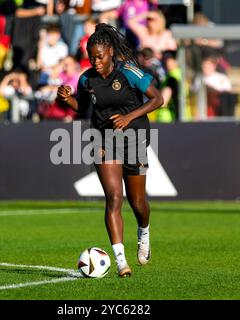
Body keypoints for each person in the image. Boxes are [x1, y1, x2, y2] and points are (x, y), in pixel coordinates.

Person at [56, 23, 163, 277]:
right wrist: (66, 98)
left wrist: (129, 118)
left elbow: (157, 99)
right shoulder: (86, 78)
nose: (96, 62)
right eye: (91, 57)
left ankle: (144, 232)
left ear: (111, 52)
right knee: (114, 197)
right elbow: (82, 109)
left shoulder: (129, 72)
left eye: (100, 57)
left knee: (137, 203)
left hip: (134, 138)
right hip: (103, 141)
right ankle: (120, 261)